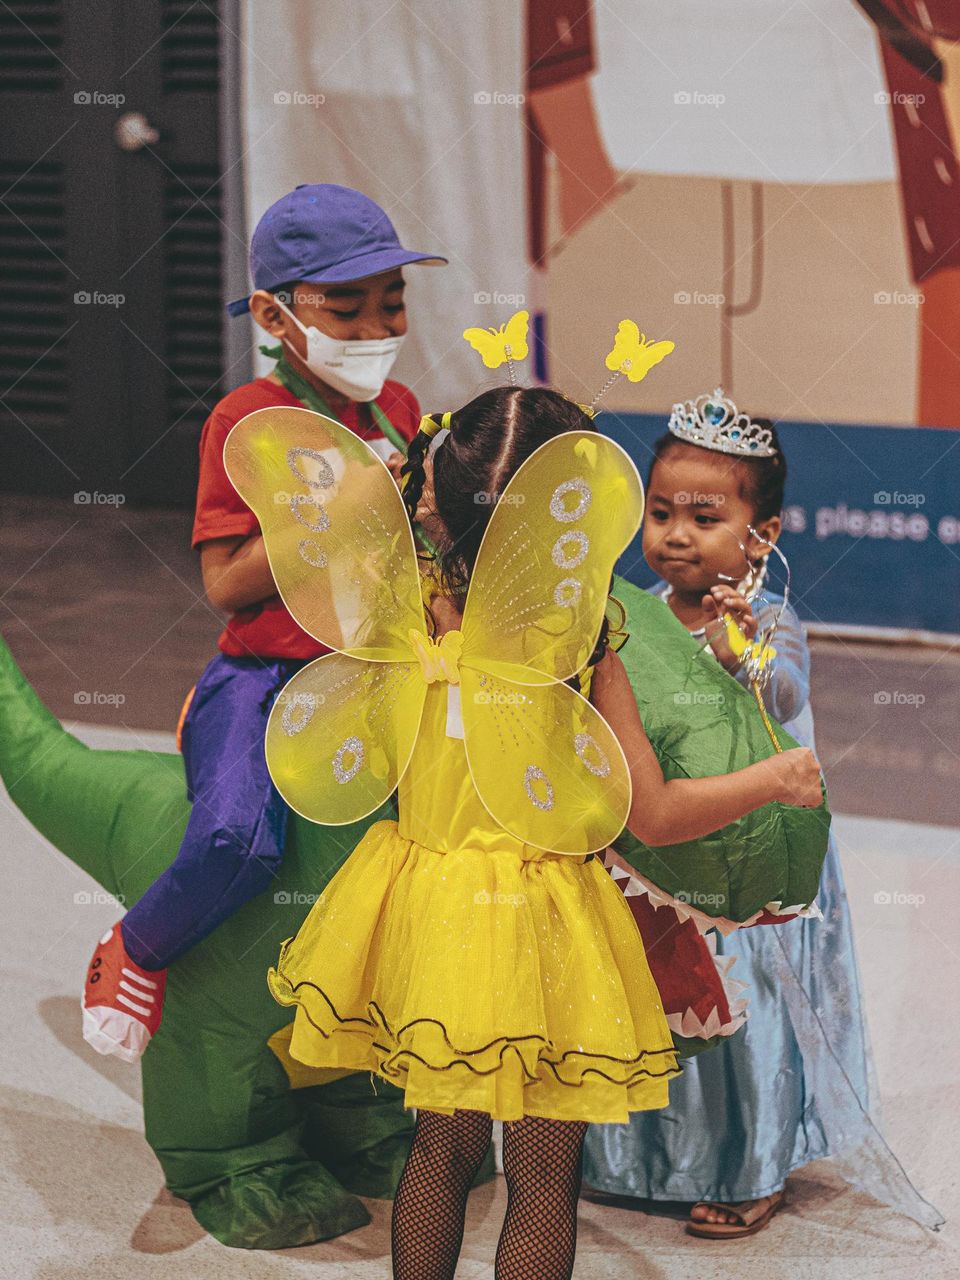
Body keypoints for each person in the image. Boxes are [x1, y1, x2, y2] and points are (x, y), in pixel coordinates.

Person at [257, 385, 824, 1279]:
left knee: (439, 1153)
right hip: (541, 921)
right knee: (542, 1178)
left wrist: (411, 485)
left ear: (436, 496)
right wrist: (777, 778)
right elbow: (654, 814)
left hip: (430, 907)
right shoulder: (583, 644)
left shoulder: (396, 607)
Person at [82, 183, 446, 1062]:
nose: (375, 329)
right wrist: (330, 512)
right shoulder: (243, 422)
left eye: (391, 304)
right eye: (347, 309)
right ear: (279, 319)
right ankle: (134, 946)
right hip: (269, 674)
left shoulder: (397, 409)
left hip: (380, 666)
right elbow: (225, 586)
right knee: (234, 837)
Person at [582, 389, 874, 1238]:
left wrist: (737, 648)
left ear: (763, 534)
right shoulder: (633, 613)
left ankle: (752, 1165)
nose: (676, 533)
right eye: (661, 511)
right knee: (662, 1002)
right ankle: (638, 1159)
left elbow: (783, 694)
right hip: (660, 852)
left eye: (704, 516)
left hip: (746, 859)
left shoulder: (770, 620)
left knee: (747, 1017)